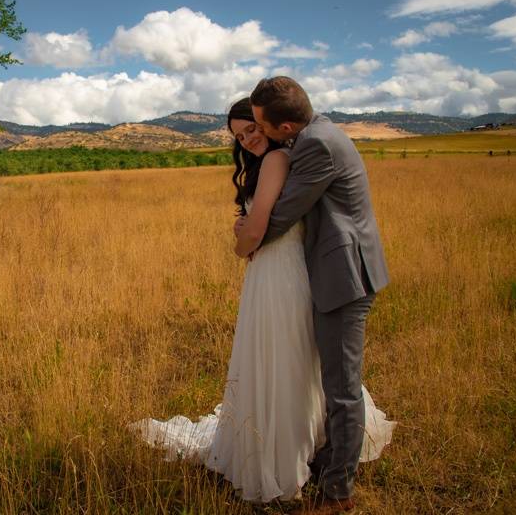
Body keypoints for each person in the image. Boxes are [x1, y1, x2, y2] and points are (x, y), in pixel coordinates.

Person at [130, 97, 395, 507]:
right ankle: (305, 451)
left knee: (298, 365)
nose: (249, 138)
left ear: (272, 125)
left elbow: (269, 225)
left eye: (253, 128)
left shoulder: (282, 159)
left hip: (288, 275)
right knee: (286, 363)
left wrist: (243, 240)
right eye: (240, 135)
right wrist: (249, 229)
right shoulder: (280, 157)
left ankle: (329, 481)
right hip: (278, 275)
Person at [248, 76, 392, 513]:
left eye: (262, 125)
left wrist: (248, 237)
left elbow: (287, 210)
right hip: (340, 270)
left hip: (343, 277)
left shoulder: (317, 145)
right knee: (333, 378)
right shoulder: (318, 133)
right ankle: (331, 462)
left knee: (342, 386)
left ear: (286, 128)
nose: (259, 133)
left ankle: (338, 493)